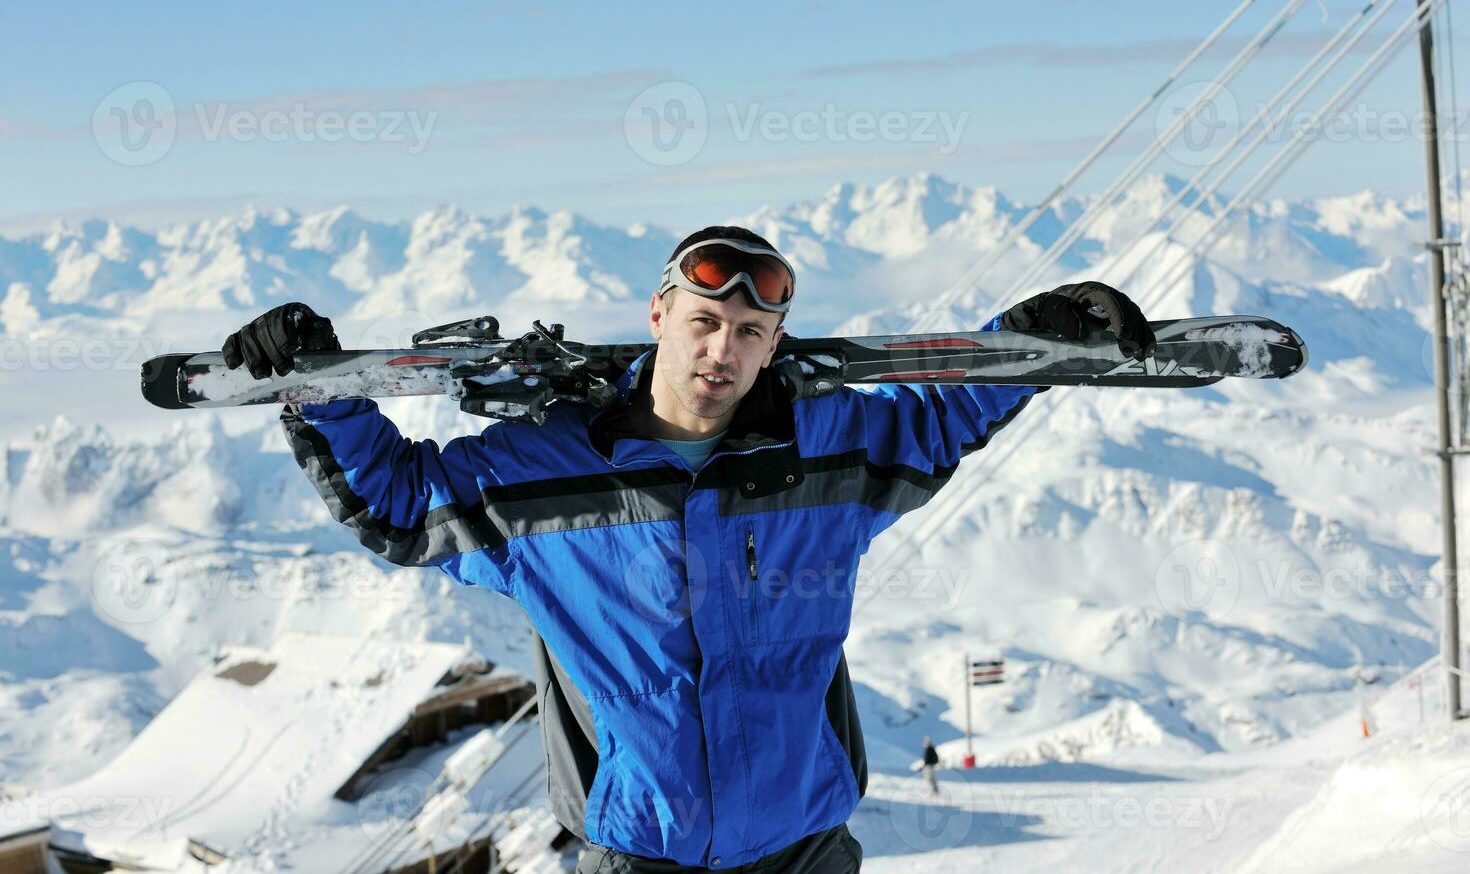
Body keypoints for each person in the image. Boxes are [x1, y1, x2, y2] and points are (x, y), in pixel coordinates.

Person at [222, 226, 1155, 873]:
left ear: (773, 343)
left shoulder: (827, 456)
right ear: (661, 314)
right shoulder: (546, 472)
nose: (723, 350)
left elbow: (945, 413)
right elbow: (395, 503)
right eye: (706, 322)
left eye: (751, 332)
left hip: (806, 849)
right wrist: (321, 393)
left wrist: (1032, 339)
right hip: (638, 852)